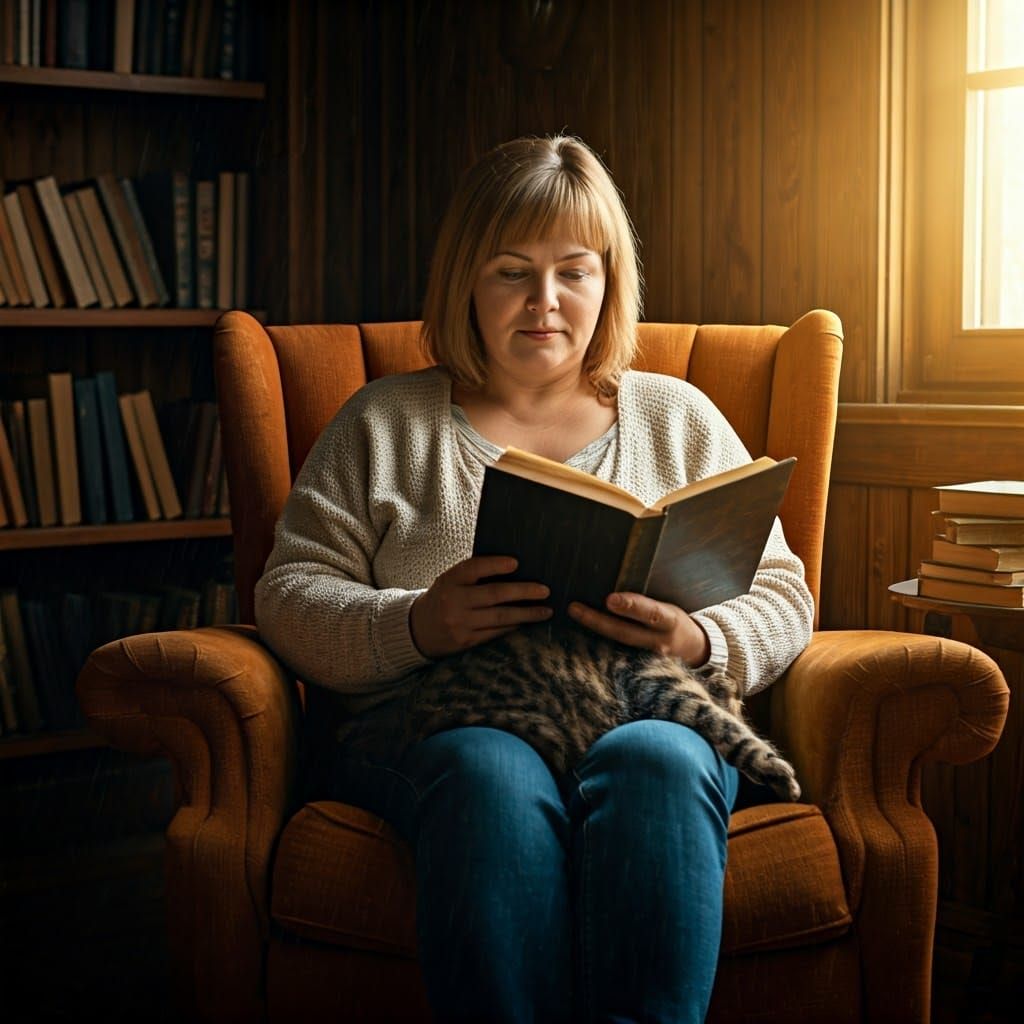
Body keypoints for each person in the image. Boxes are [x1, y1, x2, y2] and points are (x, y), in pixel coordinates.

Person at [254, 134, 814, 1024]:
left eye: (574, 272)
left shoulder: (677, 418)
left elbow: (785, 593)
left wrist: (699, 638)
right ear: (464, 284)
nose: (544, 303)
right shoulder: (383, 423)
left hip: (640, 711)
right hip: (443, 725)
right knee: (490, 774)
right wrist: (416, 625)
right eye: (512, 271)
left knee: (663, 761)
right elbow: (288, 595)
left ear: (608, 283)